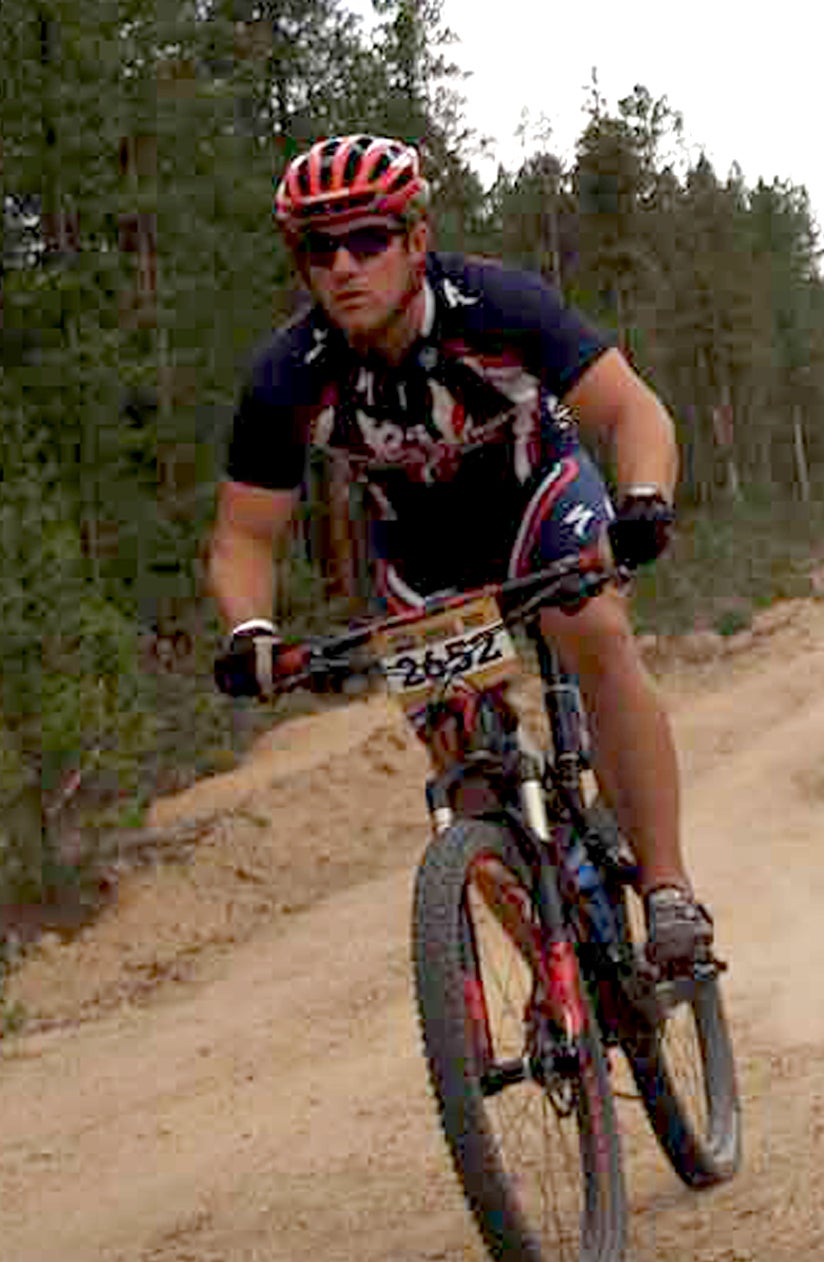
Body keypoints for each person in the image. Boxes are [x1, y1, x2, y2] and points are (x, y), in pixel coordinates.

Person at [206, 133, 712, 975]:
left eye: (368, 239)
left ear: (415, 239)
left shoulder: (496, 305)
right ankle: (566, 977)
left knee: (594, 631)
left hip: (537, 499)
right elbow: (242, 538)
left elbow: (635, 414)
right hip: (423, 550)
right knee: (461, 767)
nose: (343, 266)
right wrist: (252, 630)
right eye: (318, 248)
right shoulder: (287, 374)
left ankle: (667, 891)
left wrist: (644, 503)